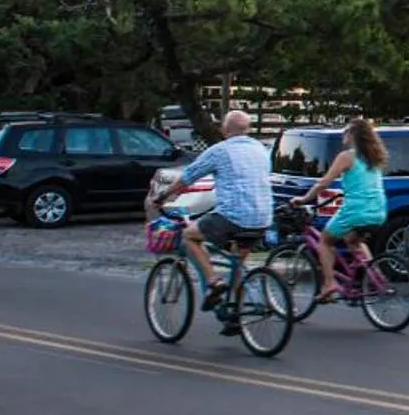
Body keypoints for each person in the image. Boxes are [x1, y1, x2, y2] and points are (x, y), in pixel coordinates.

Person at [151, 110, 273, 310]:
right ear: (248, 129)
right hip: (263, 217)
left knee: (189, 236)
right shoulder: (261, 150)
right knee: (237, 264)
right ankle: (235, 313)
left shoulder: (220, 151)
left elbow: (187, 177)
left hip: (233, 217)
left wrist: (162, 196)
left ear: (224, 129)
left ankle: (213, 281)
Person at [295, 117, 388, 303]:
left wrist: (304, 199)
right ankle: (376, 275)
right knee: (353, 240)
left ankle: (329, 284)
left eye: (345, 131)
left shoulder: (347, 156)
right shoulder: (373, 157)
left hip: (356, 210)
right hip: (378, 210)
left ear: (353, 135)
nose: (342, 135)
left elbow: (324, 183)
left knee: (325, 241)